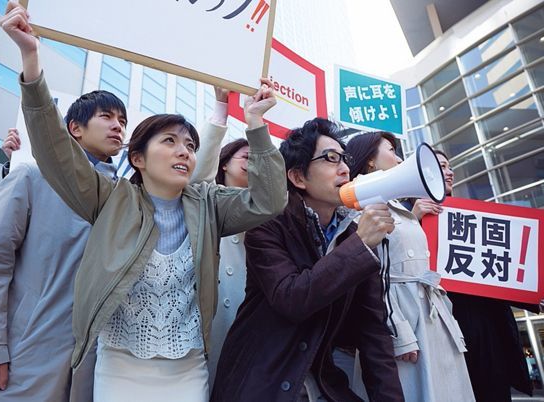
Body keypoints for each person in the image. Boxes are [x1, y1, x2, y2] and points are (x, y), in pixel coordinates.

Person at [0, 2, 287, 401]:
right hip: (120, 366)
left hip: (188, 367)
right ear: (137, 158)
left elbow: (269, 200)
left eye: (190, 145)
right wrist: (31, 61)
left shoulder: (209, 203)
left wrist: (256, 124)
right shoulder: (110, 198)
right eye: (169, 141)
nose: (184, 151)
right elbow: (55, 152)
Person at [211, 118, 404, 402]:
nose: (345, 168)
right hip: (260, 382)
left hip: (321, 384)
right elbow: (292, 298)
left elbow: (373, 333)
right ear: (298, 177)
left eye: (345, 159)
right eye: (331, 158)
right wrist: (360, 245)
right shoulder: (268, 224)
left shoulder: (353, 233)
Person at [0, 90, 126, 401]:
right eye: (106, 116)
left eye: (122, 121)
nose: (118, 126)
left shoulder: (124, 198)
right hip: (23, 358)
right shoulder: (29, 177)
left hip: (92, 369)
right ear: (74, 128)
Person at [346, 132, 474, 402]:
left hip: (427, 312)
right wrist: (398, 332)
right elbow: (374, 277)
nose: (399, 158)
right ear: (370, 160)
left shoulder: (393, 205)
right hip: (405, 319)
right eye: (391, 150)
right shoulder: (361, 204)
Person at [432, 150, 534, 402]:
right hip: (445, 325)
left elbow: (501, 269)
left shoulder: (475, 217)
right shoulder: (411, 216)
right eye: (442, 166)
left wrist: (534, 294)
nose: (450, 172)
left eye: (449, 166)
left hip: (486, 325)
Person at [190, 92, 251, 385]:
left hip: (247, 316)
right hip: (210, 317)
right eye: (246, 157)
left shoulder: (266, 209)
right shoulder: (206, 198)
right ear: (223, 163)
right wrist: (221, 109)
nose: (253, 163)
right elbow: (198, 172)